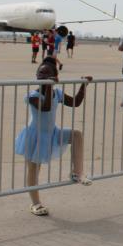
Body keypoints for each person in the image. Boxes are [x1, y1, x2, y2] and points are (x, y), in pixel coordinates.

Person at [14, 59, 92, 216]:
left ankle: (77, 172)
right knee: (34, 169)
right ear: (36, 75)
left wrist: (84, 85)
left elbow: (75, 102)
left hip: (52, 133)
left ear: (56, 76)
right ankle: (35, 203)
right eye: (40, 73)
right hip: (34, 136)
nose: (43, 76)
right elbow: (46, 107)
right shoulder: (32, 95)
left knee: (76, 135)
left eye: (47, 74)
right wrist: (49, 85)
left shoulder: (57, 93)